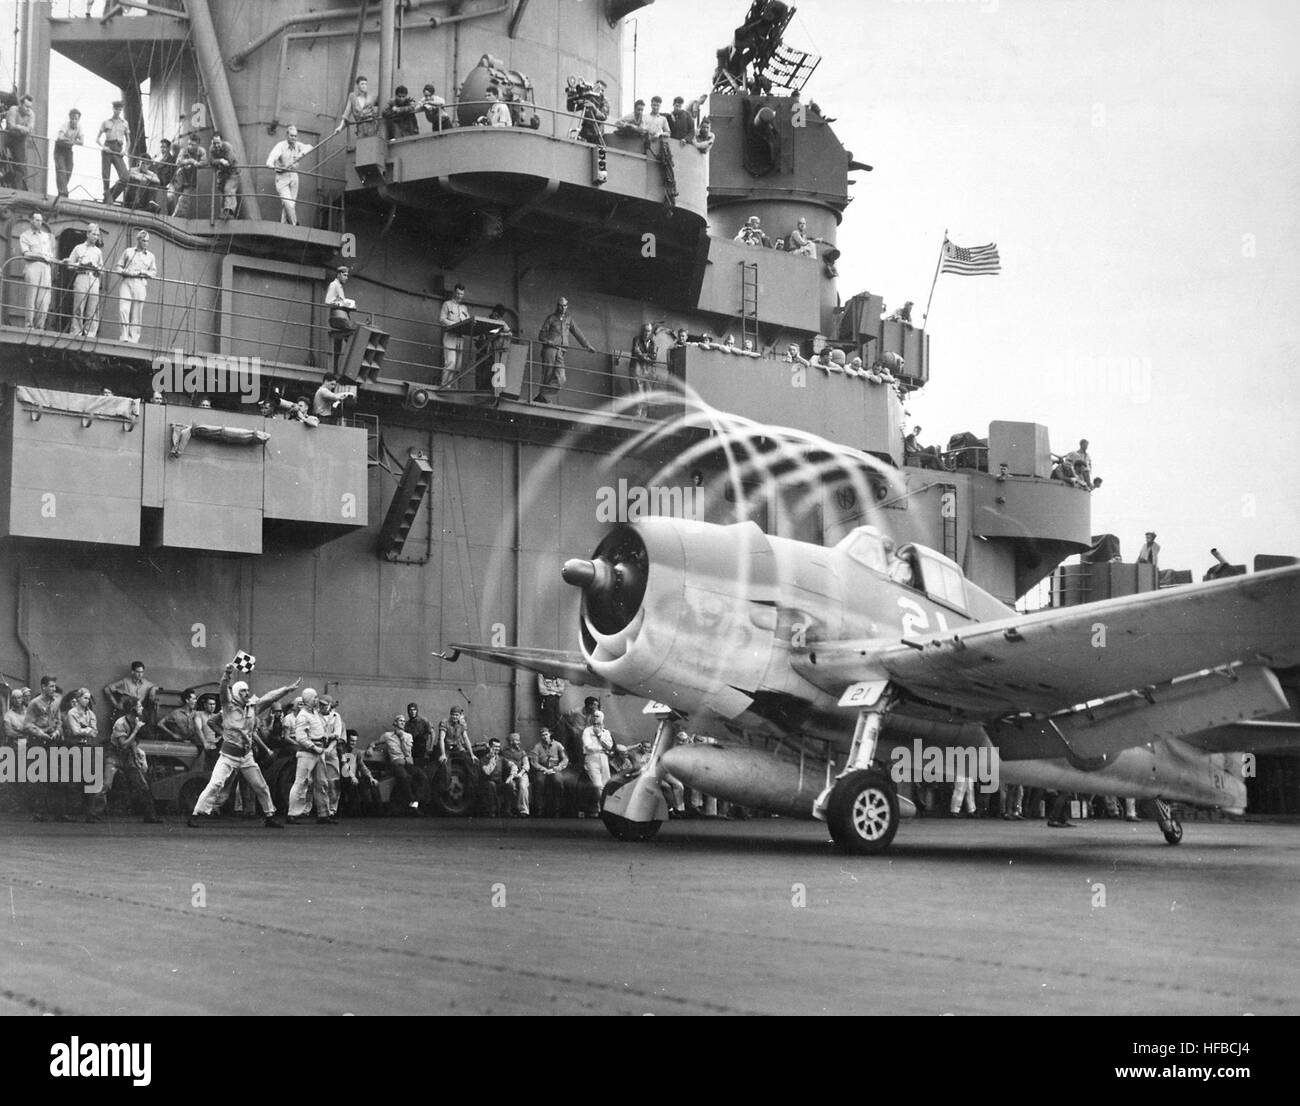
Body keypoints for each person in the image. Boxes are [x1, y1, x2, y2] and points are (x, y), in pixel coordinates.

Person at [188, 662, 300, 827]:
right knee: (216, 784)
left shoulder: (252, 708)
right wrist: (227, 674)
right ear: (235, 693)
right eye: (243, 691)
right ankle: (196, 814)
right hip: (228, 755)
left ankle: (269, 816)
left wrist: (286, 690)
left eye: (247, 690)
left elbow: (270, 697)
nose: (247, 693)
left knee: (260, 785)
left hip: (246, 756)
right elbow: (222, 689)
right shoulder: (228, 707)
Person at [104, 695, 163, 824]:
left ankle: (150, 816)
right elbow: (123, 744)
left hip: (128, 756)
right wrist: (136, 730)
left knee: (143, 785)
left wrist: (137, 755)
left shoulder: (136, 720)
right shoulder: (120, 723)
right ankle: (93, 815)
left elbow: (133, 743)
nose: (142, 708)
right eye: (139, 706)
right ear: (132, 709)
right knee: (106, 784)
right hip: (114, 755)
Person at [534, 296, 595, 404]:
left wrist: (587, 345)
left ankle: (542, 395)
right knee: (547, 374)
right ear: (557, 306)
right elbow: (541, 335)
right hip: (550, 349)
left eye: (565, 306)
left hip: (561, 351)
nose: (563, 308)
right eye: (560, 306)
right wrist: (548, 341)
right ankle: (544, 398)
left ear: (567, 306)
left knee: (561, 378)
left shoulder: (569, 319)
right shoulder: (551, 318)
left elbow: (577, 333)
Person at [286, 688, 330, 824]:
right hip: (307, 753)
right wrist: (314, 747)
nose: (317, 700)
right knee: (301, 782)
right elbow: (301, 738)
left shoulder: (314, 713)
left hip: (318, 752)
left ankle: (323, 814)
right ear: (309, 700)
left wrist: (324, 737)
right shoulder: (303, 716)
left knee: (322, 783)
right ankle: (292, 814)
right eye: (315, 698)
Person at [265, 125, 313, 226]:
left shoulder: (297, 145)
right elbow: (272, 157)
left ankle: (284, 225)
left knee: (290, 204)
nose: (294, 138)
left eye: (295, 136)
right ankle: (295, 224)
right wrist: (270, 164)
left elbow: (310, 147)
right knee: (288, 202)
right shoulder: (280, 146)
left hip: (294, 176)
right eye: (291, 136)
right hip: (282, 177)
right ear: (287, 135)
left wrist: (301, 154)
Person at [115, 230, 157, 344]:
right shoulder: (128, 252)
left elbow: (153, 272)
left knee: (137, 312)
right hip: (127, 281)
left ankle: (134, 338)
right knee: (123, 308)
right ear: (138, 240)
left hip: (140, 283)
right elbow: (118, 267)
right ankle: (124, 335)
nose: (145, 243)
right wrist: (126, 272)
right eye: (143, 240)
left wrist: (144, 272)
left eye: (147, 241)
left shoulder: (150, 256)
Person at [381, 714, 427, 814]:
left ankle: (414, 802)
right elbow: (376, 743)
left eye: (403, 721)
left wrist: (402, 738)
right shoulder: (387, 735)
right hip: (396, 764)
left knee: (423, 776)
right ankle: (412, 802)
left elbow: (407, 753)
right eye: (400, 721)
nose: (403, 722)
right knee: (405, 777)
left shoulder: (408, 736)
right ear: (395, 723)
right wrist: (371, 747)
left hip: (408, 763)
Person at [66, 222, 104, 338]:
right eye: (94, 234)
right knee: (78, 306)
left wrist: (96, 267)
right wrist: (80, 264)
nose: (95, 237)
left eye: (97, 235)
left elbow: (102, 269)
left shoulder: (98, 251)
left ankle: (90, 334)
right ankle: (76, 332)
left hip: (93, 278)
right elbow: (70, 265)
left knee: (92, 309)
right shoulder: (78, 248)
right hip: (81, 276)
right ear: (88, 234)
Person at [19, 213, 56, 331]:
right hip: (33, 267)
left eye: (41, 220)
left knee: (44, 301)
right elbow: (26, 254)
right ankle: (29, 326)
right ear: (31, 221)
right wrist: (41, 256)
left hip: (46, 269)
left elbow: (50, 254)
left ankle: (40, 327)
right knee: (31, 299)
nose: (39, 222)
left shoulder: (46, 236)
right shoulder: (25, 236)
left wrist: (47, 257)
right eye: (36, 220)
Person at [580, 709, 616, 816]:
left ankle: (605, 809)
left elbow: (609, 745)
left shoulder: (606, 732)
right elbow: (588, 746)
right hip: (592, 758)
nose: (595, 718)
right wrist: (601, 748)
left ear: (602, 718)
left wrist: (600, 735)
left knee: (606, 783)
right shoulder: (587, 731)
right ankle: (599, 808)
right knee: (597, 784)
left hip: (604, 758)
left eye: (597, 716)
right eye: (594, 716)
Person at [103, 660, 157, 725]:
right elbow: (107, 689)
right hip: (124, 714)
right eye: (138, 672)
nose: (140, 674)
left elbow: (156, 686)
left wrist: (153, 689)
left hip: (138, 714)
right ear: (132, 672)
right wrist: (115, 704)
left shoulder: (146, 683)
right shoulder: (125, 682)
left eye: (142, 672)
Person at [529, 726, 568, 817]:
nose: (544, 737)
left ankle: (557, 809)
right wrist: (544, 769)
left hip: (555, 769)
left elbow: (565, 759)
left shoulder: (558, 745)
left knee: (558, 782)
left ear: (550, 734)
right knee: (539, 782)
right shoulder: (537, 747)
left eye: (546, 734)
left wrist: (558, 767)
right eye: (542, 735)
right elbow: (534, 762)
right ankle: (539, 809)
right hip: (542, 770)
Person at [96, 99, 130, 203]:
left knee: (125, 178)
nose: (118, 111)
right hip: (107, 149)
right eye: (116, 109)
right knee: (106, 175)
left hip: (118, 151)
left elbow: (129, 141)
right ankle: (108, 196)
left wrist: (125, 151)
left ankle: (110, 194)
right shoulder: (106, 122)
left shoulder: (125, 123)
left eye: (120, 110)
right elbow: (97, 139)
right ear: (113, 109)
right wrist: (103, 147)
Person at [438, 282, 471, 388]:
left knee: (458, 365)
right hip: (450, 336)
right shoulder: (447, 304)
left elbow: (468, 321)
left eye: (461, 294)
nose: (459, 296)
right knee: (450, 362)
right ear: (454, 292)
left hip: (460, 338)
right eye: (457, 293)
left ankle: (454, 387)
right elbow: (442, 319)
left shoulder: (464, 308)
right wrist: (455, 325)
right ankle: (445, 385)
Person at [326, 265, 357, 372]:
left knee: (338, 346)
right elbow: (328, 301)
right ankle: (351, 364)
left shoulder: (339, 286)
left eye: (347, 275)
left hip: (341, 317)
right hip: (338, 318)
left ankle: (336, 369)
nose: (346, 278)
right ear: (338, 274)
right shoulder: (334, 285)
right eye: (344, 275)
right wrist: (342, 304)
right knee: (354, 333)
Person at [3, 94, 37, 191]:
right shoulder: (13, 109)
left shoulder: (31, 114)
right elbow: (10, 126)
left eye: (29, 107)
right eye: (26, 107)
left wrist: (18, 127)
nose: (28, 109)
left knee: (21, 166)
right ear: (20, 105)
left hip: (19, 139)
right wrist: (22, 128)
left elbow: (30, 130)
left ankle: (17, 188)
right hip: (8, 135)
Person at [169, 133, 205, 218]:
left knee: (184, 199)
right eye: (189, 144)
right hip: (180, 177)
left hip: (191, 180)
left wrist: (198, 163)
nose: (190, 147)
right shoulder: (183, 151)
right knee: (172, 197)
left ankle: (176, 218)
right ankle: (173, 215)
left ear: (198, 145)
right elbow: (178, 162)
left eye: (193, 145)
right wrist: (190, 161)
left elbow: (204, 162)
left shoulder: (201, 151)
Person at [208, 133, 241, 219]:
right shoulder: (212, 148)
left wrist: (218, 162)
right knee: (222, 191)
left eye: (218, 143)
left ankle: (229, 212)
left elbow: (229, 161)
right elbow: (211, 161)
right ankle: (223, 211)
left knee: (229, 189)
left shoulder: (228, 147)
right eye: (214, 143)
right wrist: (221, 160)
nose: (216, 145)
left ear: (222, 141)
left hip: (232, 172)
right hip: (222, 173)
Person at [628, 321, 657, 418]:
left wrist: (646, 357)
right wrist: (646, 357)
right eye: (645, 331)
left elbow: (654, 356)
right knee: (638, 391)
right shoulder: (636, 339)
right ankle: (637, 415)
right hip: (637, 369)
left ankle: (644, 416)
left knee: (647, 393)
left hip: (647, 370)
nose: (647, 333)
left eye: (649, 331)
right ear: (642, 331)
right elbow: (636, 351)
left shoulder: (652, 342)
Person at [53, 107, 84, 198]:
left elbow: (82, 142)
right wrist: (73, 140)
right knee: (61, 169)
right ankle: (63, 193)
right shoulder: (65, 125)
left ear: (78, 119)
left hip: (68, 150)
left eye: (76, 119)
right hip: (59, 149)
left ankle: (63, 189)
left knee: (69, 169)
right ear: (70, 118)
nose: (74, 121)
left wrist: (70, 141)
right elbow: (60, 137)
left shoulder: (79, 127)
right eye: (73, 118)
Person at [479, 736, 512, 816]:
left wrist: (511, 776)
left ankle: (507, 810)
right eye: (495, 747)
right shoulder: (483, 760)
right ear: (490, 747)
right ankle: (492, 811)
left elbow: (512, 765)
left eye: (498, 747)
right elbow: (487, 772)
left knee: (509, 785)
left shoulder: (501, 759)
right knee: (491, 785)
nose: (497, 749)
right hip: (487, 783)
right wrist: (492, 759)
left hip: (499, 783)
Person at [501, 732, 531, 816]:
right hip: (510, 774)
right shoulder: (504, 752)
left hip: (522, 773)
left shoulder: (522, 752)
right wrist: (512, 774)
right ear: (511, 741)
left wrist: (520, 774)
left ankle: (523, 811)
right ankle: (512, 809)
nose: (519, 742)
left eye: (518, 740)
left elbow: (526, 765)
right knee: (510, 786)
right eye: (516, 740)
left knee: (522, 786)